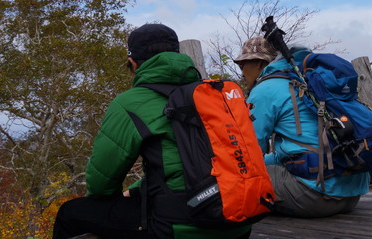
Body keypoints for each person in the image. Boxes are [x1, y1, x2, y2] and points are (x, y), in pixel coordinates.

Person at [53, 23, 251, 239]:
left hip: (181, 227)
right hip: (239, 220)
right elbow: (189, 167)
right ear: (178, 55)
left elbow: (101, 185)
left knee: (70, 213)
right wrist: (138, 189)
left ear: (133, 63)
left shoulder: (130, 102)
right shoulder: (213, 95)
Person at [235, 37, 370, 218]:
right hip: (351, 196)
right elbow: (300, 147)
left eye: (243, 65)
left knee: (238, 177)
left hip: (314, 197)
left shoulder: (265, 89)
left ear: (259, 63)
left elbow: (247, 150)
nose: (241, 72)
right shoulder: (311, 82)